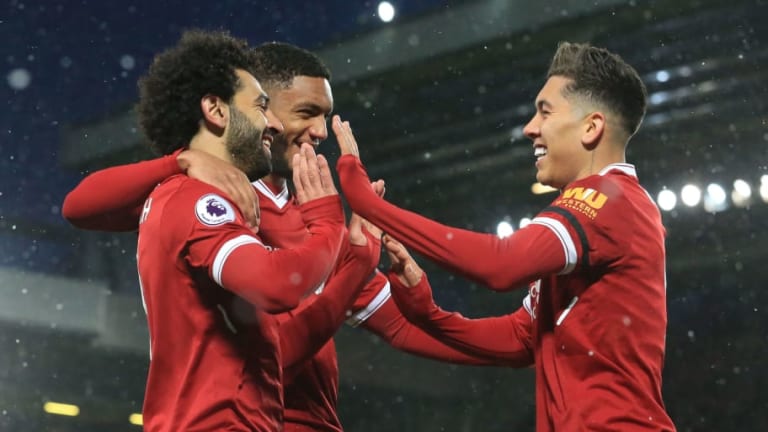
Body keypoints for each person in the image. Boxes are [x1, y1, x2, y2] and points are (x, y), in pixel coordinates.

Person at [62, 42, 508, 432]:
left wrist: (518, 343)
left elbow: (401, 327)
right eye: (306, 113)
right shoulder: (208, 197)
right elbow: (79, 205)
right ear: (263, 108)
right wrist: (181, 160)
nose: (320, 132)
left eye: (325, 116)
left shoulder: (312, 219)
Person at [329, 41, 677, 431]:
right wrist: (425, 313)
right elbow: (519, 339)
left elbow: (502, 265)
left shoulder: (611, 199)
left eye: (545, 111)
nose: (530, 127)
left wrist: (367, 202)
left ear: (591, 127)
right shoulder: (601, 210)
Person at [125, 30, 356, 432]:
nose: (271, 123)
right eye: (261, 106)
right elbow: (276, 286)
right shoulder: (196, 200)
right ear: (217, 111)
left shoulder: (190, 194)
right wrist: (331, 225)